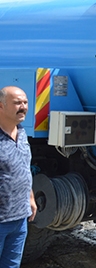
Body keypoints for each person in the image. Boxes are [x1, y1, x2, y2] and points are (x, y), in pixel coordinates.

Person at [0, 86, 37, 267]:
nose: (23, 107)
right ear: (1, 106)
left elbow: (23, 167)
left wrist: (30, 197)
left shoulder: (22, 132)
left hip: (19, 219)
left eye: (25, 102)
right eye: (17, 103)